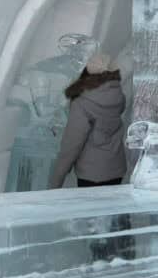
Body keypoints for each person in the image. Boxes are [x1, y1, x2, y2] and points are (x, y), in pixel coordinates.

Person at [48, 52, 127, 188]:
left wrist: (56, 180)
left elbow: (72, 144)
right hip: (116, 171)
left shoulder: (83, 103)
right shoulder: (119, 97)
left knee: (92, 209)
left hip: (91, 174)